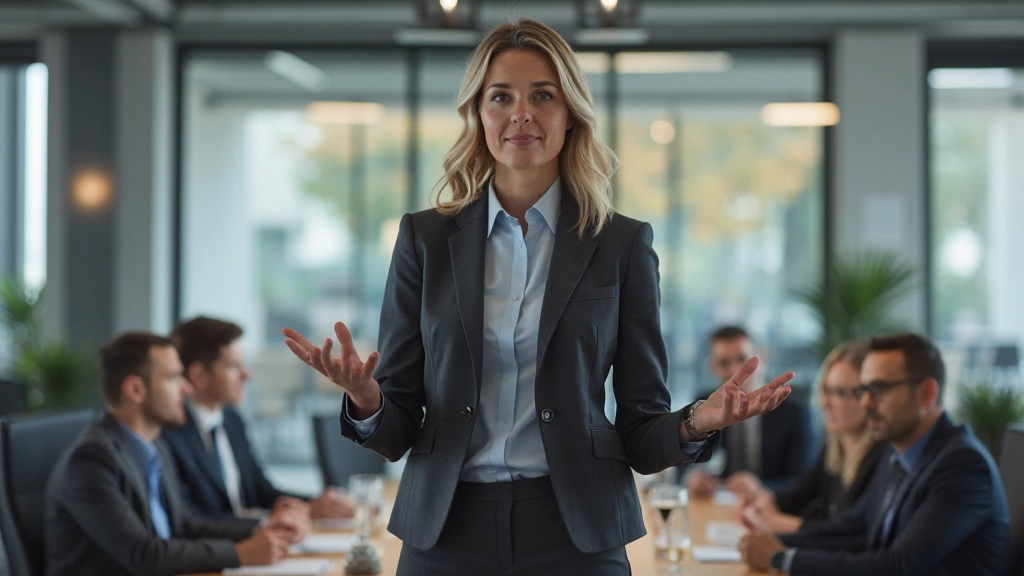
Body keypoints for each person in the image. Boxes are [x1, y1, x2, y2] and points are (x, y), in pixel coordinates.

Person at [282, 19, 795, 576]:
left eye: (542, 96)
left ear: (570, 115)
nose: (520, 114)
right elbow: (398, 428)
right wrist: (366, 398)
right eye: (501, 96)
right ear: (479, 115)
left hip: (576, 531)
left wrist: (699, 420)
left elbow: (642, 433)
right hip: (445, 530)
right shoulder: (424, 240)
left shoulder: (621, 244)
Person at [739, 333, 1012, 576]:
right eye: (863, 390)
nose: (866, 403)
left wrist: (781, 557)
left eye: (878, 389)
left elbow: (899, 565)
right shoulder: (899, 451)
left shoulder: (962, 465)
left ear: (926, 394)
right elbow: (852, 528)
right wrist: (775, 541)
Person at [45, 332, 300, 576]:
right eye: (173, 377)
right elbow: (143, 554)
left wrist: (260, 529)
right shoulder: (92, 461)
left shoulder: (155, 447)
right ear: (135, 389)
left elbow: (186, 526)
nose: (187, 388)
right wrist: (239, 553)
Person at [161, 316, 352, 524]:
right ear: (198, 375)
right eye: (233, 366)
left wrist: (314, 505)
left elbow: (261, 490)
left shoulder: (231, 420)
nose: (246, 376)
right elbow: (192, 521)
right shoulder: (169, 435)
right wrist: (269, 521)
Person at [741, 340, 887, 534]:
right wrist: (765, 500)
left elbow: (852, 534)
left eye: (840, 393)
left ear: (868, 397)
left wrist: (779, 523)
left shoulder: (883, 456)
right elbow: (799, 495)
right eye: (826, 390)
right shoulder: (835, 446)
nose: (825, 402)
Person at [685, 326, 815, 498]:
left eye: (743, 360)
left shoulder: (794, 413)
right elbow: (681, 459)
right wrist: (690, 477)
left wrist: (762, 488)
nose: (735, 371)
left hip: (769, 512)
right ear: (712, 366)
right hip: (715, 510)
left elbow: (804, 480)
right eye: (724, 363)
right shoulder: (704, 405)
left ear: (762, 357)